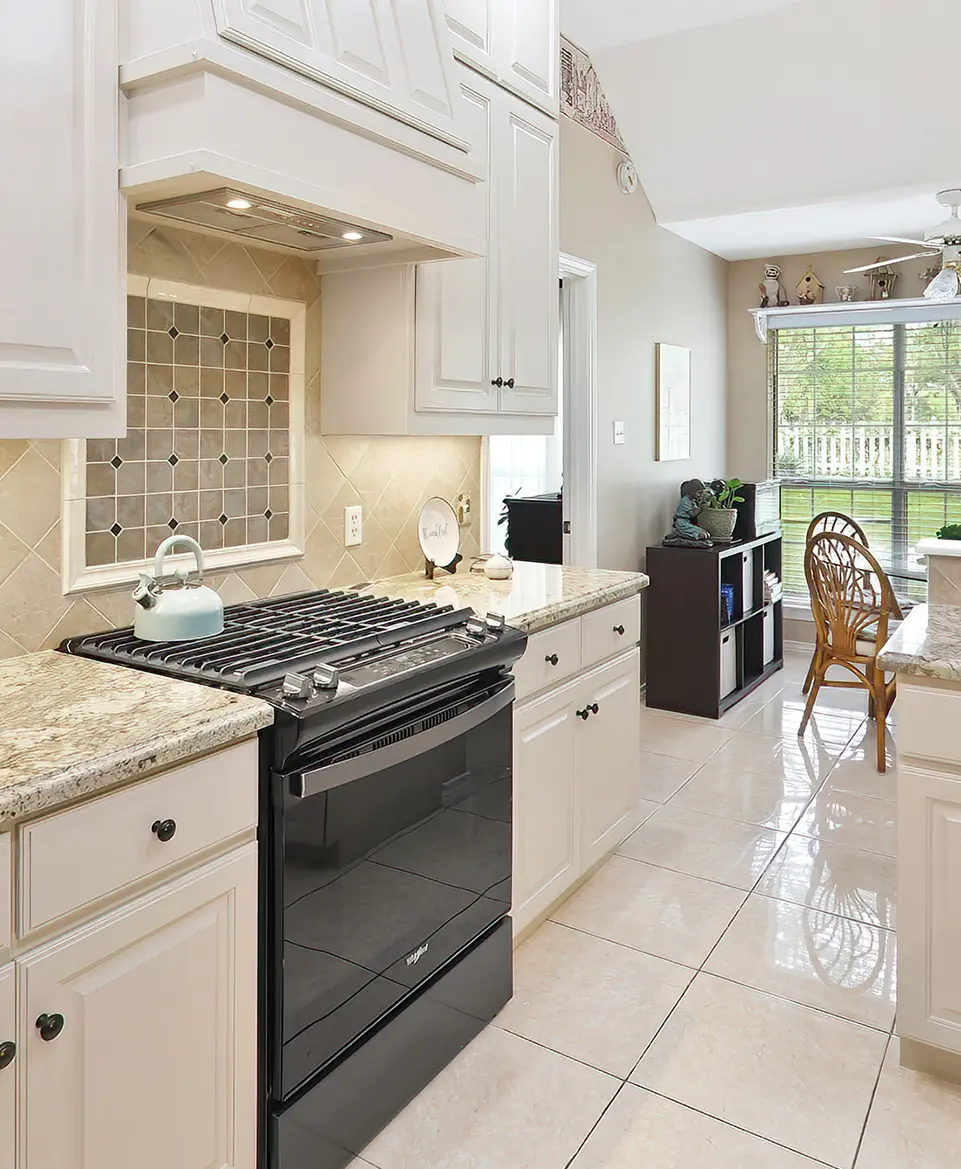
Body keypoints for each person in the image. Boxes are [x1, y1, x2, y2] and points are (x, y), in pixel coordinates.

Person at [663, 479, 713, 547]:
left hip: (687, 522)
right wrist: (701, 508)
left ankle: (681, 533)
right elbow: (692, 514)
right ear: (692, 492)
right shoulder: (685, 501)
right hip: (682, 523)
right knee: (702, 535)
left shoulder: (692, 500)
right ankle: (679, 533)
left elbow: (695, 509)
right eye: (699, 493)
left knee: (707, 534)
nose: (700, 495)